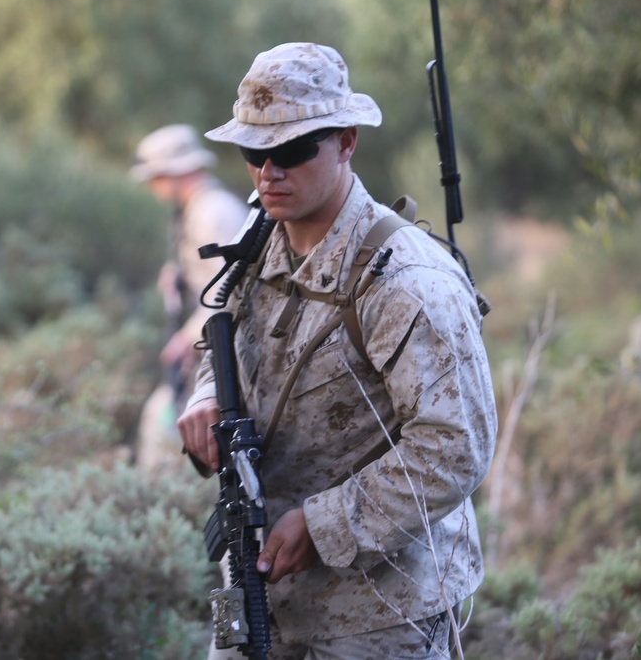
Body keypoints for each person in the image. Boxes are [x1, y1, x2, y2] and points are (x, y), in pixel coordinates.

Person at [176, 42, 498, 659]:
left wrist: (324, 526)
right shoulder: (261, 241)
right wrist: (210, 394)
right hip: (261, 592)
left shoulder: (407, 282)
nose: (269, 172)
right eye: (253, 152)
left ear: (347, 141)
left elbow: (455, 447)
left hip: (379, 615)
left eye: (293, 151)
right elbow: (226, 337)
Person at [130, 124, 250, 471]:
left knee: (163, 424)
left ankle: (165, 502)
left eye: (155, 177)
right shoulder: (193, 211)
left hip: (226, 346)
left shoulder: (214, 213)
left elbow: (233, 291)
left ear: (172, 173)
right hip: (211, 342)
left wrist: (187, 336)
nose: (153, 187)